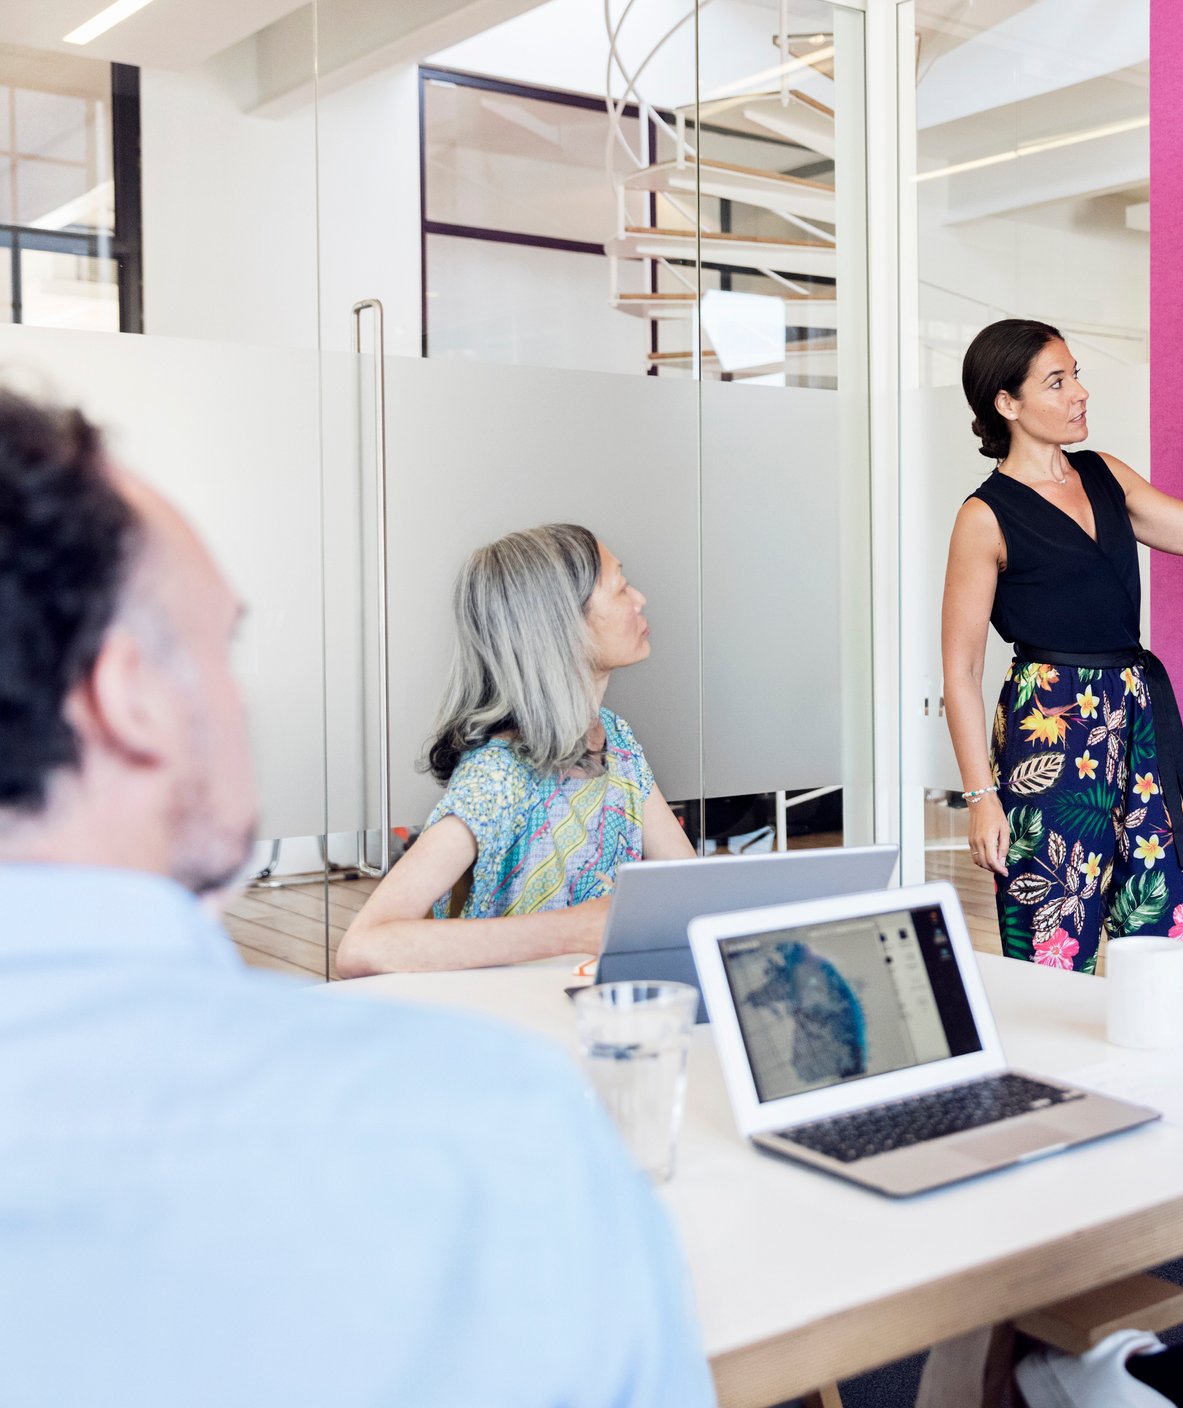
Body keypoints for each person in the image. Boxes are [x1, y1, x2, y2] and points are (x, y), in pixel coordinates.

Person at [0, 388, 712, 1404]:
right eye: (222, 647)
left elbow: (680, 880)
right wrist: (592, 924)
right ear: (131, 699)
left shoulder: (622, 749)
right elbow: (371, 943)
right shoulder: (490, 1124)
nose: (246, 700)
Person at [941, 318, 1183, 993]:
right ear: (1006, 403)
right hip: (1048, 727)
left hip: (1136, 719)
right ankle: (1049, 1090)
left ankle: (1165, 1086)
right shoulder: (984, 516)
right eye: (1058, 381)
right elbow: (960, 672)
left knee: (1166, 927)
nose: (1080, 392)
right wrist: (980, 798)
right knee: (1053, 946)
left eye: (1076, 373)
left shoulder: (1103, 474)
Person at [337, 523, 695, 977]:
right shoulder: (498, 777)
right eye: (621, 587)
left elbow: (688, 891)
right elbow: (363, 948)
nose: (640, 598)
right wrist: (570, 931)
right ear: (563, 624)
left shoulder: (616, 743)